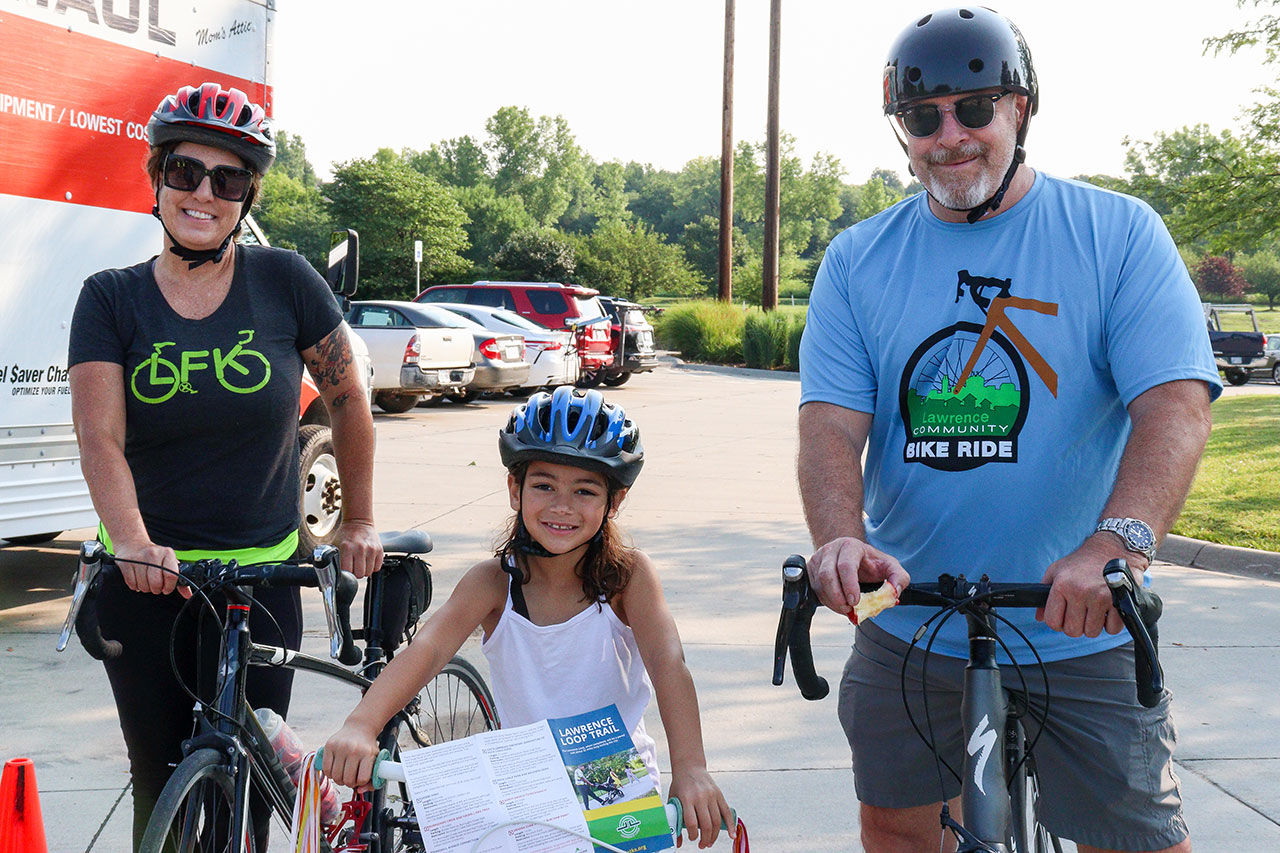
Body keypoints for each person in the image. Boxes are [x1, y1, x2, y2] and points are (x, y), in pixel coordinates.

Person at [796, 8, 1219, 853]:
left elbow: (1175, 404)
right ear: (903, 132)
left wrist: (1118, 543)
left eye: (974, 109)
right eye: (923, 117)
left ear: (1021, 110)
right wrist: (840, 540)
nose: (949, 136)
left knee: (1137, 843)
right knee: (896, 827)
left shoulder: (1119, 233)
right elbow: (830, 429)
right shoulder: (856, 258)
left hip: (1080, 621)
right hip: (911, 616)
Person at [68, 81, 381, 850]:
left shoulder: (286, 281)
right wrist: (132, 540)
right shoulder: (110, 299)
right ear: (157, 179)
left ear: (247, 195)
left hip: (264, 580)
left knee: (252, 784)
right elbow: (100, 435)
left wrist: (361, 517)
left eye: (228, 178)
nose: (203, 192)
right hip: (151, 580)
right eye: (184, 171)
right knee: (160, 778)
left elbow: (348, 401)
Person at [322, 386, 734, 848]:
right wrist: (362, 724)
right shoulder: (492, 582)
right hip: (523, 780)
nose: (562, 506)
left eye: (584, 490)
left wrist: (692, 768)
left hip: (614, 779)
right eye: (544, 486)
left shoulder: (628, 577)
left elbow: (669, 666)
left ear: (613, 503)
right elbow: (428, 648)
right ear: (515, 489)